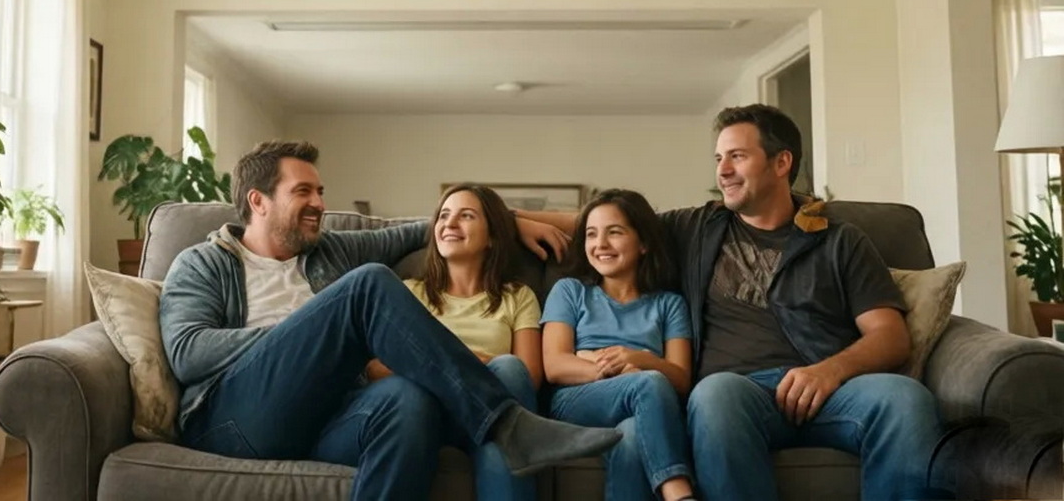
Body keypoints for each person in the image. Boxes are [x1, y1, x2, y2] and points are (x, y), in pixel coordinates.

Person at [516, 105, 943, 501]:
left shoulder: (840, 241)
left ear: (781, 163)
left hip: (829, 387)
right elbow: (610, 223)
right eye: (719, 159)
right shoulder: (699, 228)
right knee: (715, 394)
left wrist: (830, 370)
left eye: (736, 156)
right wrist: (514, 220)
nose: (723, 171)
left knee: (904, 398)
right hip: (739, 390)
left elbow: (889, 335)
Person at [158, 141, 622, 501]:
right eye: (303, 191)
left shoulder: (330, 250)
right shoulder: (204, 262)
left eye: (320, 191)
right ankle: (508, 424)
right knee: (369, 284)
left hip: (325, 418)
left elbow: (427, 226)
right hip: (235, 420)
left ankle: (507, 425)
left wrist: (512, 219)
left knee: (406, 396)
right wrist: (306, 333)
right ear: (258, 201)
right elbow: (187, 353)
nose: (319, 202)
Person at [366, 183, 543, 501]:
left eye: (466, 216)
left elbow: (527, 375)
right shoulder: (408, 293)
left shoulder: (518, 296)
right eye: (444, 216)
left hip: (494, 414)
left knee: (509, 371)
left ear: (491, 236)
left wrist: (476, 366)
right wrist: (459, 366)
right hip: (425, 413)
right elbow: (376, 368)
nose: (449, 223)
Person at [541, 189, 696, 501]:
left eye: (614, 232)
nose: (600, 245)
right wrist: (622, 372)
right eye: (591, 234)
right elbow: (555, 366)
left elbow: (681, 379)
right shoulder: (570, 291)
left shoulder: (669, 304)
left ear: (643, 243)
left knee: (632, 435)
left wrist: (637, 358)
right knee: (647, 384)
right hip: (577, 400)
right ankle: (678, 492)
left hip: (646, 403)